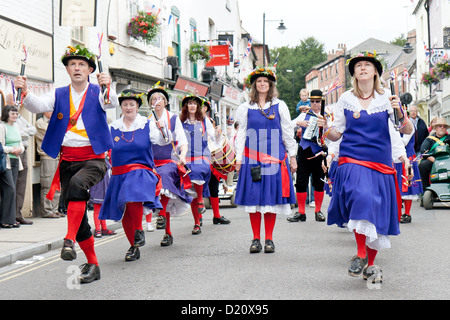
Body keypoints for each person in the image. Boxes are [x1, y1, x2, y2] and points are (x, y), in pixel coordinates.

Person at [15, 44, 118, 284]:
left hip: (94, 159)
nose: (77, 68)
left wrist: (108, 85)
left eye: (82, 64)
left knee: (78, 185)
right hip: (68, 160)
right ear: (68, 70)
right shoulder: (59, 93)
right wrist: (25, 91)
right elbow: (38, 106)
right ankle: (93, 264)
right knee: (81, 219)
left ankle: (68, 239)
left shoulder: (98, 91)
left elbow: (111, 102)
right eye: (73, 64)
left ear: (90, 69)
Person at [324, 51, 413, 283]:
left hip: (380, 163)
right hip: (352, 159)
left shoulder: (388, 99)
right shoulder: (345, 99)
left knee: (375, 209)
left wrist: (400, 112)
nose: (363, 68)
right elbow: (337, 133)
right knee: (361, 197)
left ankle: (371, 264)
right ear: (353, 72)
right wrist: (325, 129)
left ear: (375, 72)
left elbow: (405, 131)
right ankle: (361, 253)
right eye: (358, 65)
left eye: (368, 65)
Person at [235, 67, 297, 254]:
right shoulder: (245, 108)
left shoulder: (280, 105)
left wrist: (292, 157)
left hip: (274, 159)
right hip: (252, 159)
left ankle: (269, 239)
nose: (262, 84)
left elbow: (287, 132)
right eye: (259, 81)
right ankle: (255, 239)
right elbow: (241, 134)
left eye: (266, 81)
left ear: (270, 85)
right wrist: (238, 159)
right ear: (255, 85)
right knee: (255, 199)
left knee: (270, 199)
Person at [99, 89, 165, 261]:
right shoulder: (112, 127)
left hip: (140, 171)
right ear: (121, 107)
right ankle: (134, 246)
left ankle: (138, 230)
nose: (128, 107)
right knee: (126, 212)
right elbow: (101, 146)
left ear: (137, 107)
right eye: (125, 104)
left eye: (132, 104)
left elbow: (161, 141)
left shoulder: (146, 124)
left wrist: (163, 130)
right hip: (119, 174)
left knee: (131, 190)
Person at [147, 84, 192, 246]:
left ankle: (161, 218)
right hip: (151, 162)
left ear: (165, 102)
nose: (156, 101)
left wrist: (183, 156)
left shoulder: (173, 119)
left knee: (164, 177)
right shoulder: (146, 122)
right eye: (153, 99)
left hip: (169, 161)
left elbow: (183, 142)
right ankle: (162, 232)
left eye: (159, 99)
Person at [180, 93, 221, 235]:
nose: (192, 106)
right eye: (189, 103)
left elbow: (214, 139)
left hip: (202, 156)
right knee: (190, 190)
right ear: (185, 107)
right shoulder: (180, 122)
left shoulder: (204, 121)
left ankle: (200, 200)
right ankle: (197, 222)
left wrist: (217, 134)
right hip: (186, 158)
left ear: (198, 106)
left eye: (194, 103)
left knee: (198, 171)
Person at [288, 89, 327, 222]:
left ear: (321, 102)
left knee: (319, 181)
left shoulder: (327, 115)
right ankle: (301, 212)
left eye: (317, 101)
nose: (315, 104)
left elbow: (332, 133)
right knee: (301, 181)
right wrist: (299, 123)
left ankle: (318, 211)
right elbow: (289, 124)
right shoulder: (305, 114)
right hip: (304, 150)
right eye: (312, 101)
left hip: (319, 151)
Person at [201, 97, 231, 226]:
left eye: (203, 106)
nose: (200, 108)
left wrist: (218, 134)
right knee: (196, 188)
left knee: (213, 187)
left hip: (210, 158)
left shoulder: (209, 121)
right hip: (196, 158)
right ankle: (197, 219)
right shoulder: (188, 121)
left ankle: (216, 215)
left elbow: (216, 141)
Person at [0, 105, 23, 228]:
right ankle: (5, 220)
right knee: (10, 189)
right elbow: (0, 146)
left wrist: (20, 150)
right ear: (6, 114)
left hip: (16, 161)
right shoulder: (2, 127)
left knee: (12, 191)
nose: (15, 115)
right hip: (6, 162)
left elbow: (21, 143)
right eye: (12, 113)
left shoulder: (16, 127)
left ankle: (11, 219)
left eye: (16, 113)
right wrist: (12, 150)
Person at [35, 112, 61, 218]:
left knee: (57, 184)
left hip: (58, 155)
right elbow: (52, 134)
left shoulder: (54, 121)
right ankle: (47, 210)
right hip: (47, 155)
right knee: (48, 183)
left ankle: (55, 209)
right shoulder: (40, 123)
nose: (52, 112)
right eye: (50, 110)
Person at [394, 127, 423, 223]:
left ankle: (407, 213)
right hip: (396, 160)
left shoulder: (409, 126)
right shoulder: (394, 125)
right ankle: (397, 214)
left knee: (408, 187)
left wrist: (392, 135)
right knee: (396, 188)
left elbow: (404, 142)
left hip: (408, 158)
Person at [15, 111, 36, 225]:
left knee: (22, 184)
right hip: (15, 152)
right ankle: (11, 215)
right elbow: (15, 133)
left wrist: (23, 133)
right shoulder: (6, 119)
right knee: (13, 184)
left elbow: (33, 130)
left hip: (24, 150)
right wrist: (24, 133)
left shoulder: (20, 117)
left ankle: (18, 214)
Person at [419, 118, 450, 192]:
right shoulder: (429, 139)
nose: (442, 128)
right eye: (440, 126)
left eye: (444, 126)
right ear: (435, 128)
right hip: (433, 161)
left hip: (448, 161)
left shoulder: (449, 138)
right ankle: (426, 189)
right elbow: (423, 152)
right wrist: (433, 160)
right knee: (423, 165)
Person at [89, 154, 116, 238]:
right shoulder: (94, 161)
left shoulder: (105, 161)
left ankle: (103, 228)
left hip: (104, 187)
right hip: (97, 187)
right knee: (97, 208)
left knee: (102, 208)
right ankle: (98, 229)